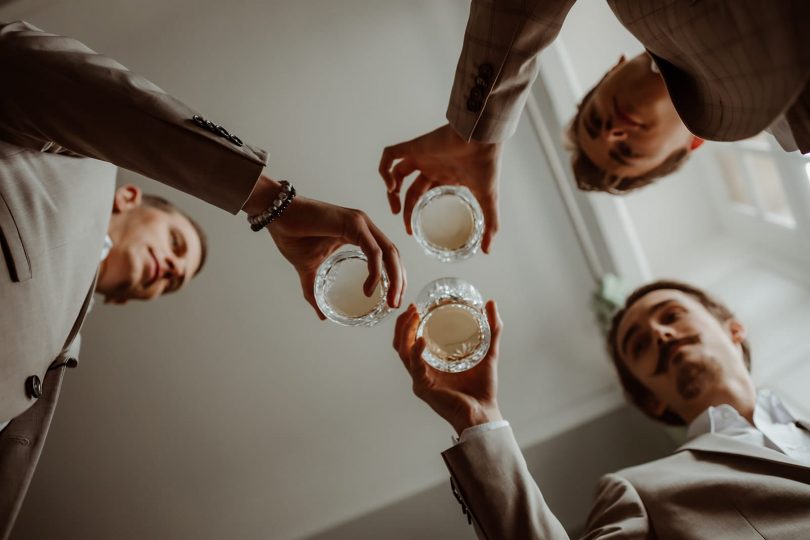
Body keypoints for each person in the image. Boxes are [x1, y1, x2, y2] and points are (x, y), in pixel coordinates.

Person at [0, 20, 404, 538]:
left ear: (127, 300)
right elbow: (28, 67)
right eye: (174, 244)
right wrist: (271, 201)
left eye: (170, 282)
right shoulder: (83, 158)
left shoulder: (62, 342)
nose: (168, 270)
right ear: (129, 198)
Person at [393, 280, 810, 538]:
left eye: (673, 315)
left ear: (733, 328)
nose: (661, 334)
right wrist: (479, 418)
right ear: (651, 398)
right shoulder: (642, 491)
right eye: (640, 345)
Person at [379, 1, 810, 247]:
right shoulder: (792, 124)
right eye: (624, 150)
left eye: (596, 119)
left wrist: (476, 135)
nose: (612, 131)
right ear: (690, 146)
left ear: (609, 73)